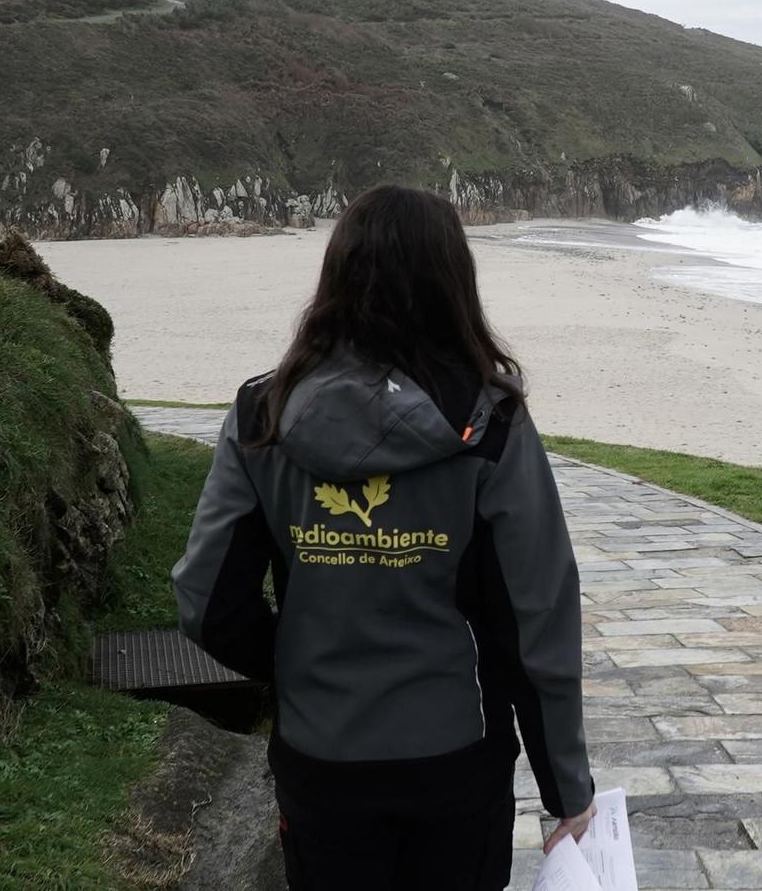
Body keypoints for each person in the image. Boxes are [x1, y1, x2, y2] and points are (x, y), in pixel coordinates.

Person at [172, 185, 594, 890]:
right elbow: (540, 618)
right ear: (454, 281)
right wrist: (566, 787)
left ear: (335, 276)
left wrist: (293, 665)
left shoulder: (262, 415)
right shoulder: (491, 424)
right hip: (458, 755)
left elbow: (205, 599)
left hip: (321, 753)